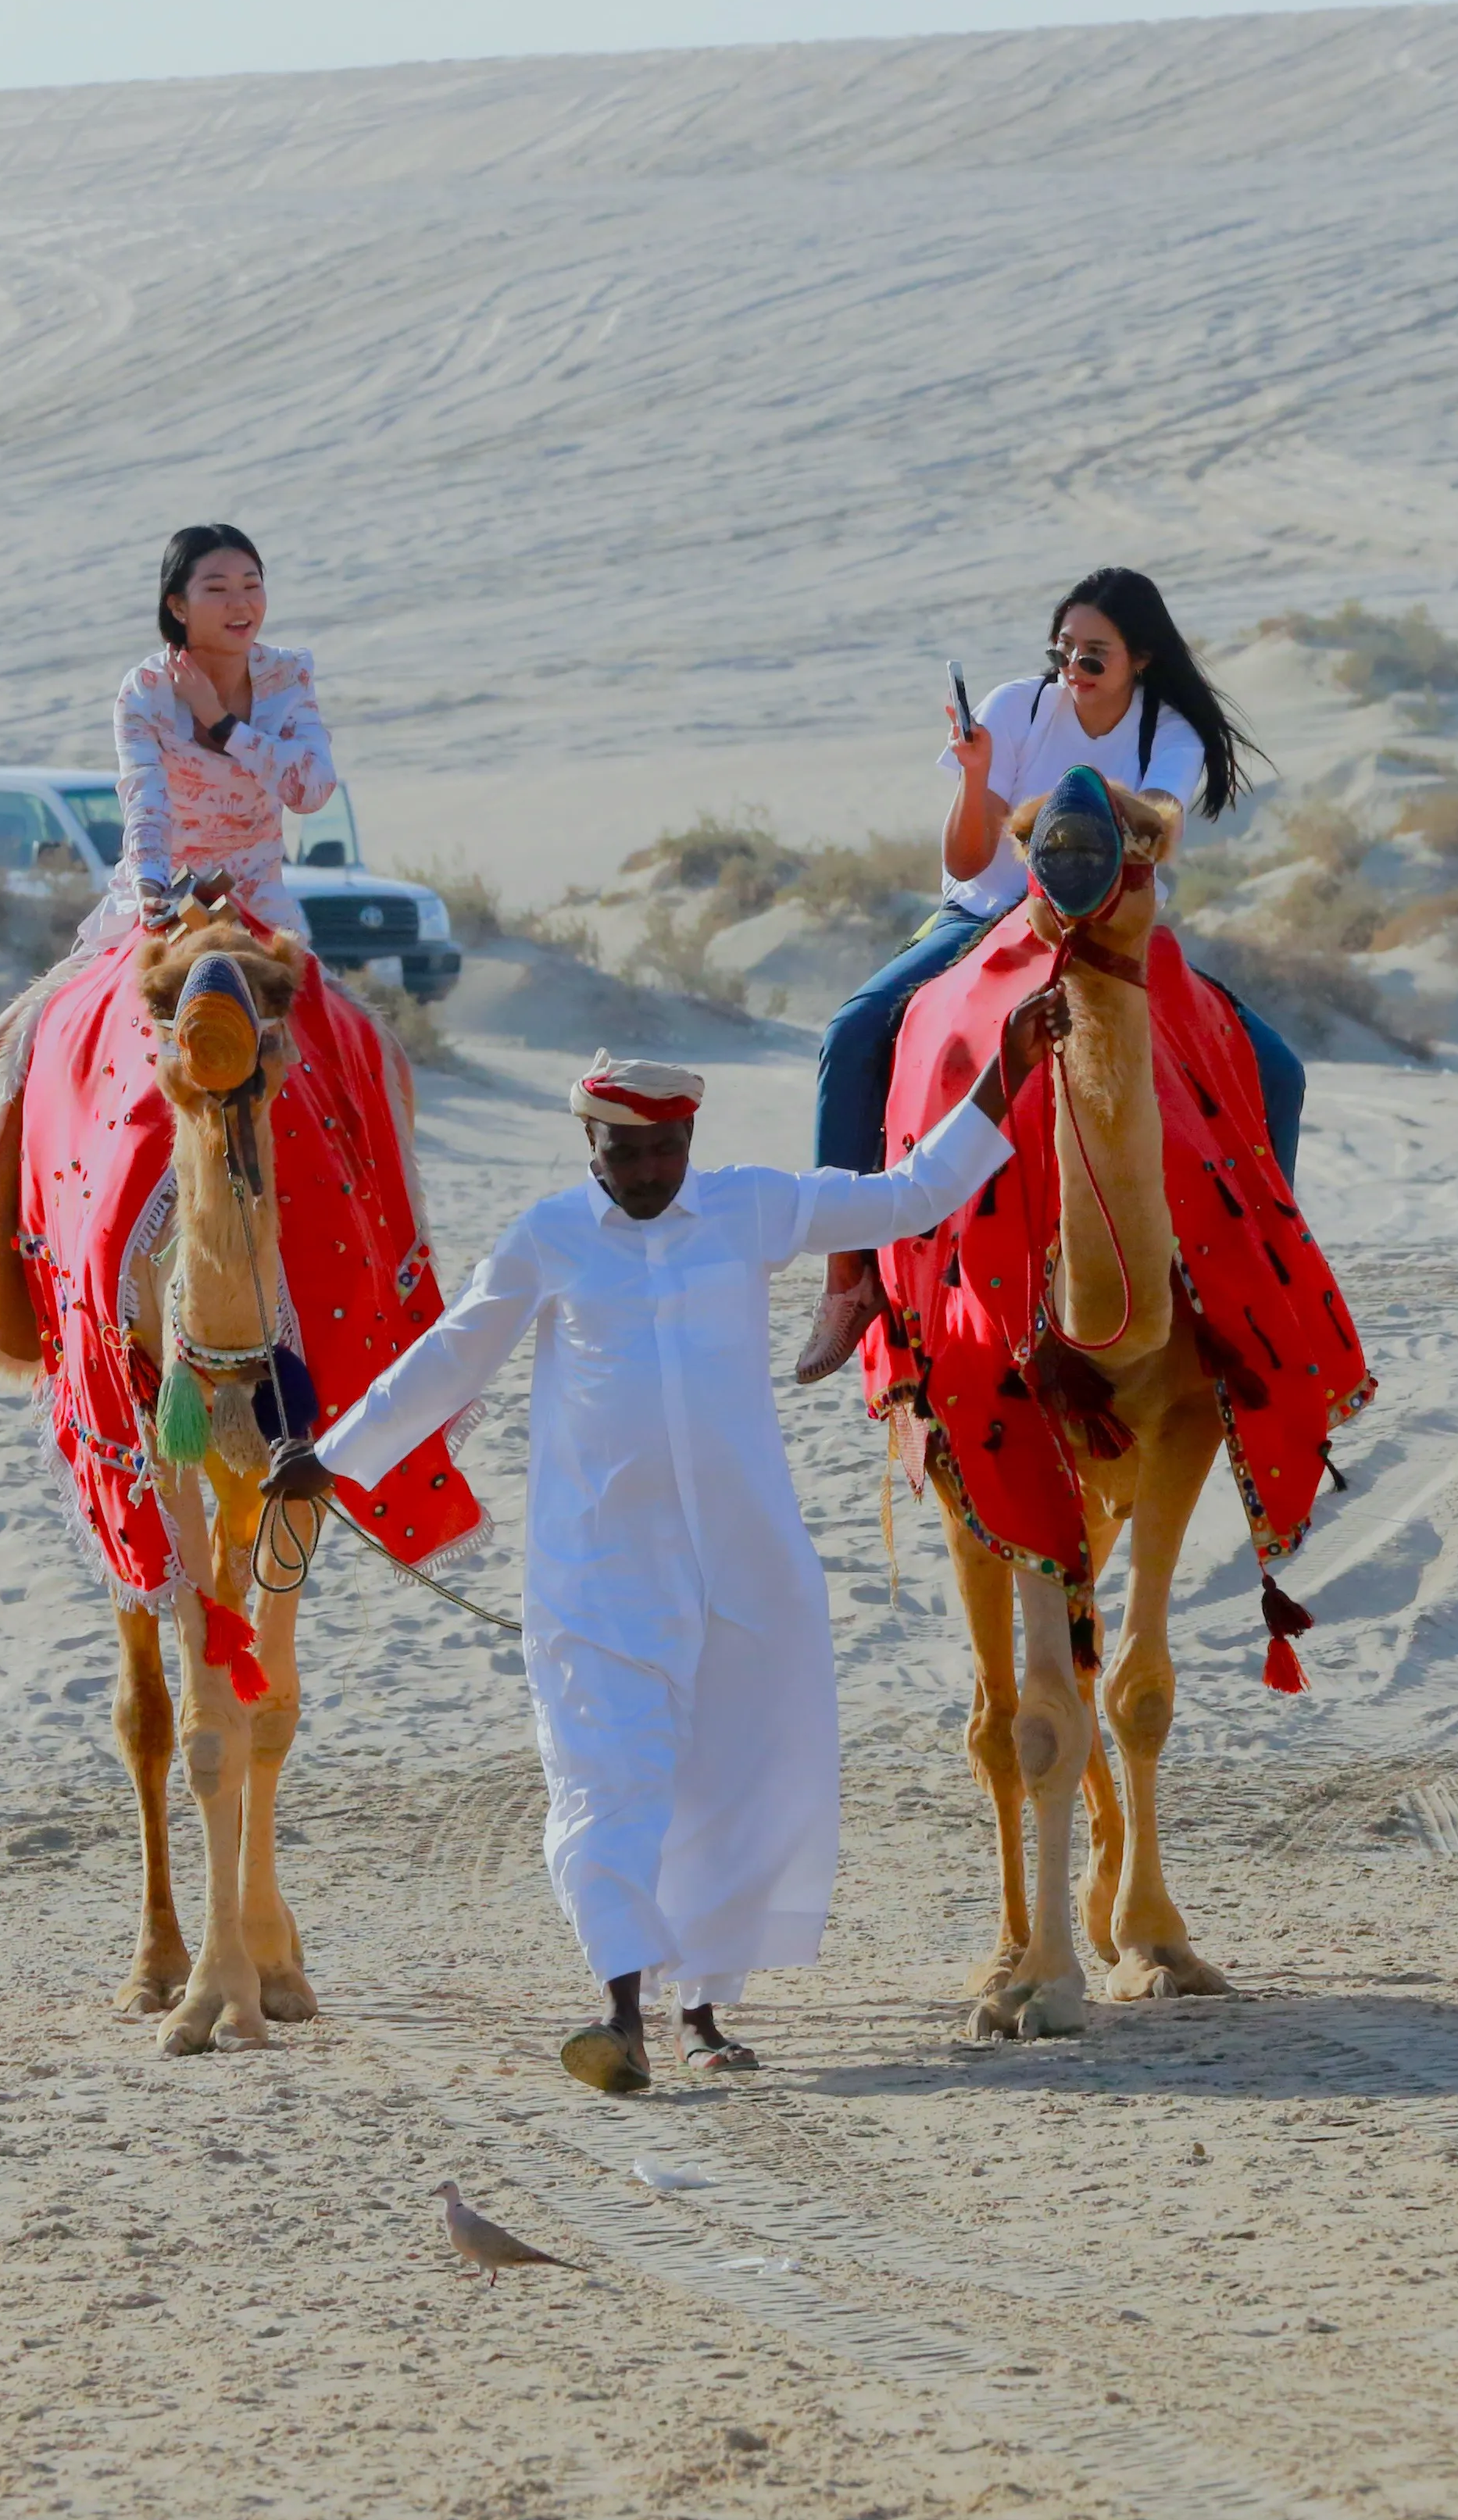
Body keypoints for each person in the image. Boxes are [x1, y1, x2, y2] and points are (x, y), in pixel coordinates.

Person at [269, 994, 1069, 2093]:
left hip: (747, 1569)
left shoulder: (748, 1210)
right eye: (626, 1153)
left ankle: (700, 2010)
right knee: (607, 1782)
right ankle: (620, 2012)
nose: (649, 1172)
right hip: (599, 1572)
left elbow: (911, 1196)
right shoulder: (547, 1238)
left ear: (691, 1139)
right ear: (588, 1143)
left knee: (732, 1786)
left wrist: (1007, 1070)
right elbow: (454, 1356)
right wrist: (337, 1456)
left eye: (666, 1150)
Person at [789, 567, 1299, 1382]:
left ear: (1141, 658)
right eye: (1065, 651)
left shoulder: (1168, 733)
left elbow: (1155, 831)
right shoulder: (1015, 708)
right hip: (987, 914)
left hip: (1112, 925)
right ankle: (848, 1276)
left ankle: (1269, 1282)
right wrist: (980, 775)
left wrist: (1080, 819)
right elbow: (964, 859)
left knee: (1277, 1070)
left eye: (1095, 656)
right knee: (851, 1033)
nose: (1075, 670)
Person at [105, 523, 336, 943]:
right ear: (178, 606)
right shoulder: (145, 691)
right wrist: (150, 893)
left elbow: (311, 792)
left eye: (252, 586)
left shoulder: (289, 675)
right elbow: (145, 805)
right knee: (48, 1006)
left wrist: (222, 724)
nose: (239, 604)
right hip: (163, 899)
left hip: (260, 909)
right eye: (216, 590)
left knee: (332, 1007)